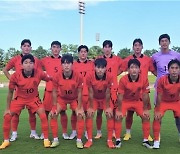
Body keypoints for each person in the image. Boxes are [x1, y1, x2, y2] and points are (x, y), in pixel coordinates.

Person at [0, 54, 51, 150]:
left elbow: (50, 79)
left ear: (34, 64)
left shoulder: (39, 73)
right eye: (26, 63)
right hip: (19, 99)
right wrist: (7, 108)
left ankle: (46, 139)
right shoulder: (15, 76)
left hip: (33, 99)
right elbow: (10, 92)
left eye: (31, 63)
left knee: (43, 115)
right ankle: (6, 141)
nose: (28, 65)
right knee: (7, 116)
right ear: (22, 65)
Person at [2, 39, 41, 141]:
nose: (26, 47)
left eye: (28, 46)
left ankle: (33, 132)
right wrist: (12, 81)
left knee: (32, 112)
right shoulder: (15, 59)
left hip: (31, 92)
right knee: (16, 113)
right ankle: (14, 133)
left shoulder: (36, 60)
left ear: (31, 48)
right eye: (24, 46)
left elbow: (39, 74)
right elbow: (5, 70)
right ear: (21, 47)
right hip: (19, 91)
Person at [121, 38, 156, 141]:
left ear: (142, 47)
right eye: (135, 45)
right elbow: (120, 70)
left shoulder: (147, 59)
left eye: (139, 45)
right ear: (133, 47)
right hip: (131, 92)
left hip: (143, 91)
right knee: (129, 114)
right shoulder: (127, 59)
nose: (137, 47)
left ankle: (147, 134)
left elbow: (154, 71)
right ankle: (128, 133)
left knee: (145, 114)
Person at [115, 59, 152, 149]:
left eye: (136, 67)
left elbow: (145, 94)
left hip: (137, 101)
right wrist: (119, 110)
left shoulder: (144, 79)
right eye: (132, 67)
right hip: (125, 101)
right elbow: (120, 95)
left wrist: (146, 109)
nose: (134, 70)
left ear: (139, 69)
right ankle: (118, 139)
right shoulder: (123, 79)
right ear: (128, 69)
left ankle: (145, 140)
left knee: (146, 116)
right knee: (118, 116)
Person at [49, 54, 84, 148]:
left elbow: (80, 92)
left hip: (74, 99)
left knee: (80, 115)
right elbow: (54, 92)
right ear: (61, 65)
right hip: (62, 99)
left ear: (72, 64)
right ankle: (55, 139)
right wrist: (54, 107)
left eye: (68, 63)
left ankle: (79, 140)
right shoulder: (56, 76)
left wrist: (80, 108)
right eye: (64, 63)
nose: (66, 65)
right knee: (53, 114)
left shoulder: (78, 76)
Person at [152, 34, 180, 141]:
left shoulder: (177, 55)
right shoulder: (155, 56)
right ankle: (157, 137)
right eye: (162, 41)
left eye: (166, 41)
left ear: (169, 42)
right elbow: (153, 69)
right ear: (159, 43)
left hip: (174, 88)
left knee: (178, 115)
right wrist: (160, 78)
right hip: (160, 88)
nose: (164, 43)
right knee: (158, 114)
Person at [95, 40, 122, 139]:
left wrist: (114, 75)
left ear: (111, 48)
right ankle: (99, 132)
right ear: (103, 48)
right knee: (99, 111)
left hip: (113, 88)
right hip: (100, 88)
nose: (107, 49)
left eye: (108, 47)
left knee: (113, 111)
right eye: (105, 47)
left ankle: (114, 131)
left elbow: (122, 68)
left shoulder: (117, 59)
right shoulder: (99, 59)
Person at [66, 45, 94, 140]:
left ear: (87, 53)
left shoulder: (92, 64)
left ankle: (86, 131)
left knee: (87, 113)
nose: (83, 53)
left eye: (85, 51)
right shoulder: (73, 64)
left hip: (88, 92)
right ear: (78, 53)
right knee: (75, 113)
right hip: (76, 93)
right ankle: (74, 131)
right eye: (81, 51)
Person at [153, 59, 180, 149]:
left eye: (176, 68)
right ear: (168, 70)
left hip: (176, 101)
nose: (174, 70)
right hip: (163, 101)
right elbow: (159, 95)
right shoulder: (162, 80)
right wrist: (157, 110)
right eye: (172, 68)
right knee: (157, 117)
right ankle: (156, 140)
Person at [40, 41, 62, 139]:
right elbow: (36, 67)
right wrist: (44, 76)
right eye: (54, 47)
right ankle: (44, 132)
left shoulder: (64, 60)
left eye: (57, 47)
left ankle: (64, 132)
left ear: (60, 49)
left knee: (62, 112)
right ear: (51, 48)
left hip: (61, 90)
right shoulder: (45, 60)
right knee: (46, 112)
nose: (56, 49)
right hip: (49, 90)